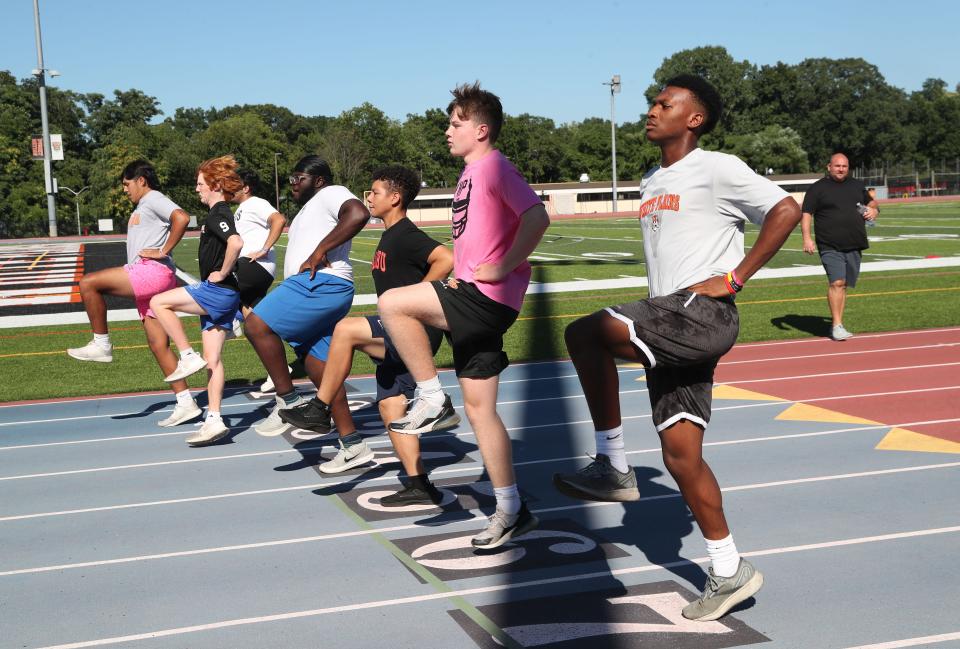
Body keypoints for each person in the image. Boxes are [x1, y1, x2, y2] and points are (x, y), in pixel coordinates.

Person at [552, 75, 801, 621]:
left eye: (665, 104)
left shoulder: (718, 166)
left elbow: (786, 210)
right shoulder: (649, 179)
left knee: (581, 333)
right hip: (671, 319)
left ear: (694, 119)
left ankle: (613, 464)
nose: (651, 110)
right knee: (681, 457)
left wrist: (734, 280)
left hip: (700, 313)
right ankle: (729, 567)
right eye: (652, 102)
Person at [378, 83, 550, 548]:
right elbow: (478, 237)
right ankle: (511, 509)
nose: (448, 131)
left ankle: (431, 396)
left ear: (481, 129)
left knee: (393, 303)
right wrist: (465, 271)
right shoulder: (470, 174)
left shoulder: (494, 166)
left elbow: (536, 217)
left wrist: (504, 265)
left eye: (456, 124)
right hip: (474, 294)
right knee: (481, 411)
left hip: (488, 299)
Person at [279, 166, 455, 502]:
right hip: (397, 333)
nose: (368, 197)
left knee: (346, 329)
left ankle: (319, 407)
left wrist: (417, 298)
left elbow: (445, 257)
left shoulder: (404, 233)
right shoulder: (389, 235)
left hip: (411, 331)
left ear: (395, 198)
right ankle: (419, 485)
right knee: (391, 409)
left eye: (374, 192)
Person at [67, 160, 201, 427]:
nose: (125, 190)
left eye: (127, 184)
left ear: (141, 180)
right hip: (151, 277)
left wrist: (163, 250)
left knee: (88, 283)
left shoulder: (153, 198)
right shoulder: (143, 206)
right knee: (157, 345)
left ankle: (102, 344)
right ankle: (186, 403)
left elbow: (182, 217)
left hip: (150, 271)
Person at [243, 156, 370, 437]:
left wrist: (319, 251)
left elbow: (359, 213)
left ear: (320, 180)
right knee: (322, 373)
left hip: (321, 283)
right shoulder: (306, 211)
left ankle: (288, 400)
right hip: (312, 288)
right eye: (291, 179)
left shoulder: (331, 192)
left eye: (299, 178)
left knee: (255, 325)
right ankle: (352, 445)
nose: (293, 185)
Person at [149, 156, 244, 447]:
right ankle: (214, 420)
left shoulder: (218, 214)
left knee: (158, 303)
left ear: (215, 185)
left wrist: (224, 271)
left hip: (217, 292)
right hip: (225, 295)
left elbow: (236, 242)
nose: (197, 189)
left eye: (200, 184)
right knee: (213, 361)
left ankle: (186, 354)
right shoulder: (217, 214)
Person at [801, 153, 879, 340]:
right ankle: (836, 325)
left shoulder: (857, 185)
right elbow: (806, 214)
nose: (841, 169)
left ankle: (839, 323)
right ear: (829, 167)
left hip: (854, 243)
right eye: (837, 166)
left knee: (844, 285)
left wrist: (874, 210)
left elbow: (871, 202)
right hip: (829, 244)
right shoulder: (817, 188)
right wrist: (806, 238)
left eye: (844, 166)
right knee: (836, 282)